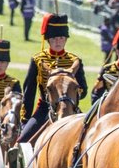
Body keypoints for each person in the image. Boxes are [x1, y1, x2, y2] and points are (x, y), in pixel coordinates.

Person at [17, 13, 87, 142]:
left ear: (66, 39)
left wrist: (73, 93)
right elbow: (29, 91)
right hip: (45, 107)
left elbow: (83, 90)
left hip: (71, 108)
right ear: (48, 40)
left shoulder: (74, 60)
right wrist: (25, 119)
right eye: (54, 38)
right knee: (23, 141)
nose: (58, 41)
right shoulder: (38, 59)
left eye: (61, 38)